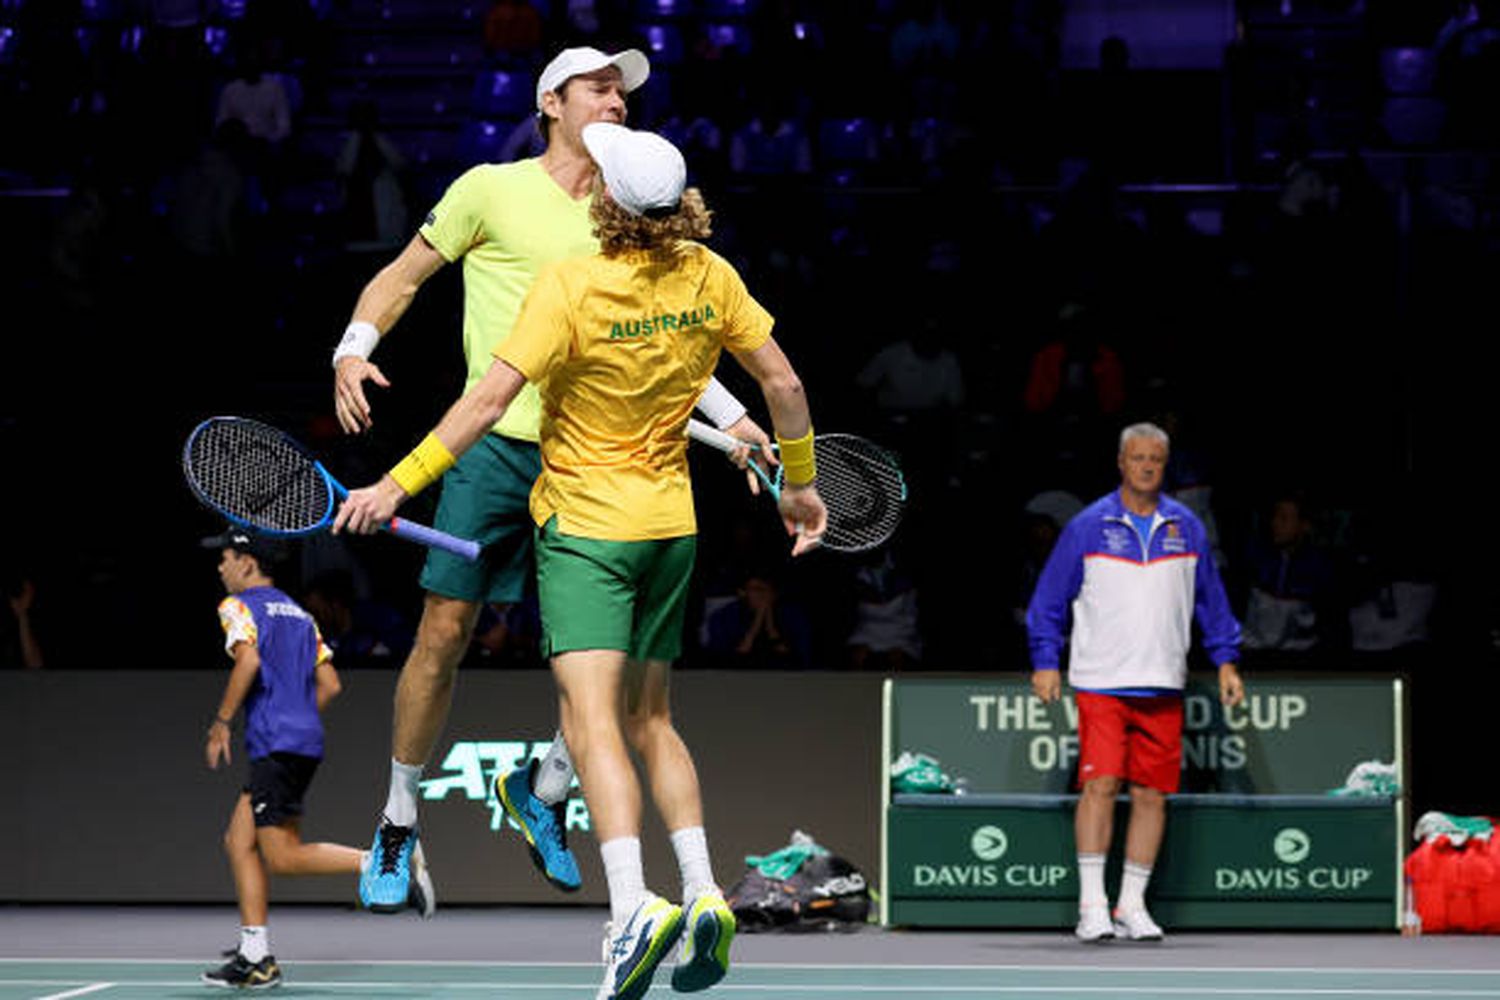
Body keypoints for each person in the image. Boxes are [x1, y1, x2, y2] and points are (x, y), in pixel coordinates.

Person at [333, 122, 827, 1000]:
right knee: (654, 720)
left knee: (594, 723)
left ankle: (634, 907)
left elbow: (487, 400)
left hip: (587, 529)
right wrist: (798, 484)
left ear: (607, 201)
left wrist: (395, 487)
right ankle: (704, 890)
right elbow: (783, 387)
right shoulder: (712, 277)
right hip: (671, 528)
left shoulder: (572, 282)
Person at [1026, 422, 1244, 943]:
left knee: (1152, 796)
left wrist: (1227, 660)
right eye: (1137, 458)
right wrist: (1045, 659)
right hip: (1102, 679)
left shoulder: (1186, 526)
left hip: (1163, 682)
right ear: (1121, 463)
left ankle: (1131, 904)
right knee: (1100, 786)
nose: (1147, 466)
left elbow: (1211, 601)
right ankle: (1092, 905)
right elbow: (1049, 599)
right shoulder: (1087, 525)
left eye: (1156, 460)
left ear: (1163, 467)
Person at [198, 528, 434, 991]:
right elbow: (331, 685)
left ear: (247, 564)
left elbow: (247, 663)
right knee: (237, 840)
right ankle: (255, 955)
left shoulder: (238, 607)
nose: (220, 567)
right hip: (301, 740)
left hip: (275, 744)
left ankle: (383, 864)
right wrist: (297, 716)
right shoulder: (302, 616)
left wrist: (222, 722)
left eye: (225, 558)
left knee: (282, 856)